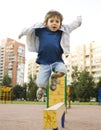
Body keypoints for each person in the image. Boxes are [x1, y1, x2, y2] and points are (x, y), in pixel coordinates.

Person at [18, 10, 82, 100]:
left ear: (60, 24)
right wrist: (22, 33)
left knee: (63, 70)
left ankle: (54, 77)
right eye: (51, 21)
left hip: (57, 60)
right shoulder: (41, 30)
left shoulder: (62, 31)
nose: (54, 24)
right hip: (44, 62)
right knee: (41, 82)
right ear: (46, 23)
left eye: (57, 22)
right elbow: (30, 29)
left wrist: (78, 19)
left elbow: (72, 25)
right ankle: (41, 89)